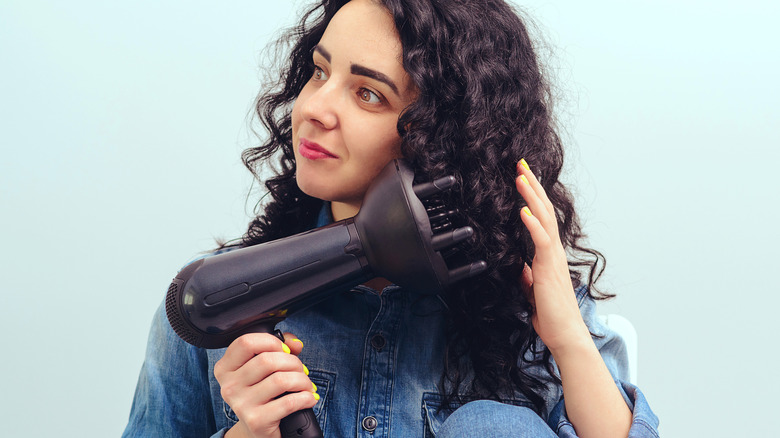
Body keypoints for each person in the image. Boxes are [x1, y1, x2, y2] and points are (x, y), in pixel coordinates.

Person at [123, 0, 659, 437]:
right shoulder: (220, 302)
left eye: (367, 94)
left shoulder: (526, 299)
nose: (313, 109)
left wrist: (566, 335)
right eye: (319, 71)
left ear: (445, 135)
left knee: (493, 428)